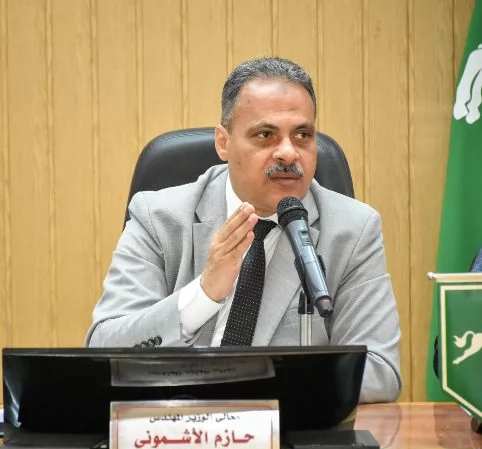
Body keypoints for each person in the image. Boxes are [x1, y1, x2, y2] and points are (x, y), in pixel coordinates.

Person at [86, 56, 401, 403]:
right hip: (175, 426)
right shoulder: (158, 218)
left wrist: (249, 395)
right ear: (223, 142)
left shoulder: (353, 230)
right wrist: (203, 295)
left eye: (302, 135)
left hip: (286, 429)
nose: (288, 153)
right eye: (265, 135)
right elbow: (104, 352)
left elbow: (380, 370)